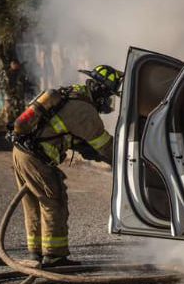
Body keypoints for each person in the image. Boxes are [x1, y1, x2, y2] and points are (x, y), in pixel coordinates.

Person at [10, 64, 123, 267]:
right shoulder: (85, 110)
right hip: (36, 157)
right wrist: (125, 160)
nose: (108, 102)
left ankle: (36, 253)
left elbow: (62, 130)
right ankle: (55, 256)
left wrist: (82, 147)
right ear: (99, 91)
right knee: (54, 201)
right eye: (108, 96)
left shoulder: (70, 94)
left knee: (34, 204)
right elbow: (105, 147)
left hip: (21, 152)